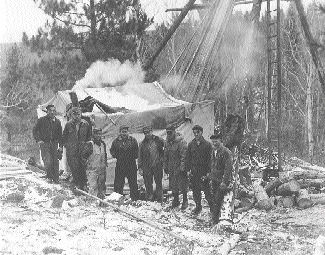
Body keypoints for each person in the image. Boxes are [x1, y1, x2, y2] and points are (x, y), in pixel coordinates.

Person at [185, 125, 214, 215]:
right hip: (194, 171)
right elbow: (188, 158)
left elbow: (210, 159)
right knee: (195, 191)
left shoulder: (207, 145)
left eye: (198, 132)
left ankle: (213, 209)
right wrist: (188, 170)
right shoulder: (191, 144)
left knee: (207, 191)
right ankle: (198, 207)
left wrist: (209, 172)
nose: (196, 134)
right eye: (194, 133)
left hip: (204, 171)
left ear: (202, 132)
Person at [62, 107, 92, 190]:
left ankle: (84, 185)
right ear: (71, 115)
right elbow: (64, 137)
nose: (76, 116)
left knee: (82, 167)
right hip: (72, 151)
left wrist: (87, 148)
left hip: (82, 150)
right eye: (74, 115)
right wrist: (66, 146)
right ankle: (77, 184)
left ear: (81, 114)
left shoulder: (85, 124)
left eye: (78, 114)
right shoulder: (68, 124)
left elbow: (89, 137)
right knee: (74, 167)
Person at [32, 105, 63, 183]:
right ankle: (49, 176)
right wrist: (38, 140)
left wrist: (61, 146)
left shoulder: (57, 122)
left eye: (53, 110)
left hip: (54, 144)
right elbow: (35, 131)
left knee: (55, 162)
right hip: (45, 144)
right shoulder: (42, 120)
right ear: (47, 111)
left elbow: (60, 135)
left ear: (55, 112)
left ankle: (56, 179)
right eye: (50, 110)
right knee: (48, 161)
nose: (52, 112)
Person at [209, 133, 233, 224]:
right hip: (215, 179)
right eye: (213, 142)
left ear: (221, 141)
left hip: (222, 181)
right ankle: (216, 217)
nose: (214, 143)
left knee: (218, 199)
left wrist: (224, 181)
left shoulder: (226, 152)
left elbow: (228, 168)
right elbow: (212, 165)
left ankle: (216, 220)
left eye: (216, 142)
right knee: (214, 198)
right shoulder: (213, 151)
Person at [110, 125, 139, 201]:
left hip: (131, 164)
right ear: (120, 132)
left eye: (125, 132)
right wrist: (117, 156)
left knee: (133, 183)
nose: (124, 133)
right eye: (122, 132)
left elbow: (137, 151)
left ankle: (134, 199)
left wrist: (132, 156)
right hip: (120, 165)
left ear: (128, 132)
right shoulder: (116, 141)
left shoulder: (133, 140)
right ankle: (118, 199)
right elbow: (112, 151)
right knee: (118, 183)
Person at [164, 125, 188, 210]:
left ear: (174, 131)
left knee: (182, 184)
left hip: (179, 166)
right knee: (173, 184)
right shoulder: (167, 142)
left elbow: (184, 155)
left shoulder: (181, 142)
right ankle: (176, 199)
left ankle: (185, 200)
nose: (169, 134)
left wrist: (182, 167)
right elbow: (165, 155)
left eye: (170, 132)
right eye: (167, 132)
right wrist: (165, 166)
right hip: (171, 166)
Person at [138, 126, 164, 202]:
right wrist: (140, 167)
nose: (147, 134)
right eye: (145, 133)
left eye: (148, 132)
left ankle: (160, 198)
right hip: (147, 166)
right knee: (148, 183)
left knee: (158, 182)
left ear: (152, 131)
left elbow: (167, 146)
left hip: (157, 165)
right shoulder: (142, 144)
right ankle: (149, 198)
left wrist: (163, 159)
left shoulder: (158, 140)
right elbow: (140, 156)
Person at [82, 128, 107, 201]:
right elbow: (83, 157)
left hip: (102, 171)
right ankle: (91, 204)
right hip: (92, 171)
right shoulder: (90, 144)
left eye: (100, 134)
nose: (99, 135)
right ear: (93, 134)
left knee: (101, 189)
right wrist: (86, 167)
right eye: (97, 134)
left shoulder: (103, 144)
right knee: (92, 189)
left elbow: (104, 155)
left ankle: (100, 204)